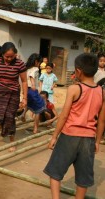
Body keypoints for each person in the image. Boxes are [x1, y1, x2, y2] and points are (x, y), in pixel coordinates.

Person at [44, 53, 105, 199]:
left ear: (78, 71)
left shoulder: (74, 89)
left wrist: (54, 137)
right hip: (89, 139)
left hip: (69, 136)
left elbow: (64, 116)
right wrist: (97, 141)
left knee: (55, 171)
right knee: (83, 179)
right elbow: (102, 121)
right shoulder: (102, 92)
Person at [0, 42, 28, 151]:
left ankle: (11, 142)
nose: (9, 59)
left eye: (12, 56)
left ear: (15, 54)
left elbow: (24, 81)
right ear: (2, 54)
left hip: (13, 93)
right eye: (7, 56)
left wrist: (24, 98)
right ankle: (3, 126)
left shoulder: (20, 64)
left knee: (10, 117)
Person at [21, 53, 45, 134]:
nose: (39, 65)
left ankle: (23, 114)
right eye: (39, 62)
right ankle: (35, 129)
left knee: (29, 103)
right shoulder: (35, 69)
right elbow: (31, 76)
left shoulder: (26, 69)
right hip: (32, 89)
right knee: (39, 108)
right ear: (36, 62)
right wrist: (34, 85)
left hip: (26, 89)